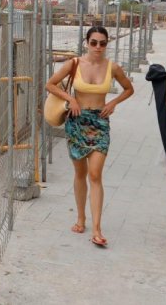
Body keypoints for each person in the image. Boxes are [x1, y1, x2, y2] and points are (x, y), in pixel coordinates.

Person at [45, 25, 135, 248]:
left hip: (100, 123)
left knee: (95, 175)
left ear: (107, 44)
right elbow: (50, 84)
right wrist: (71, 98)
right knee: (80, 173)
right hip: (76, 121)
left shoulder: (112, 67)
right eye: (94, 42)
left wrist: (113, 102)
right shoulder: (74, 64)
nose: (98, 47)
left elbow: (128, 88)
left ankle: (96, 229)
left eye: (102, 43)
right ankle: (80, 218)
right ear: (86, 43)